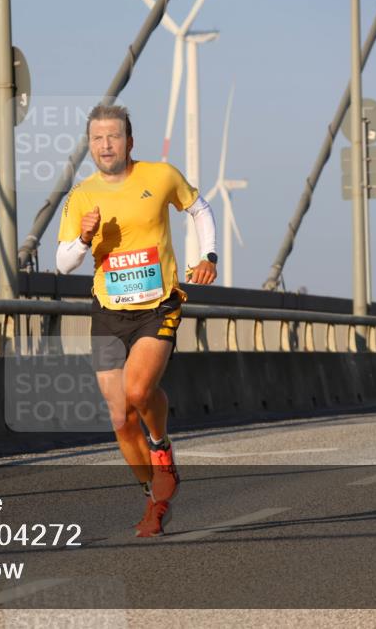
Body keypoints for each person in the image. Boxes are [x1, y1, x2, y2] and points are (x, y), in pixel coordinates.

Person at [56, 104, 217, 537]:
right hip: (109, 311)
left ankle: (161, 448)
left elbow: (199, 209)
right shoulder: (82, 195)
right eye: (97, 138)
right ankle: (154, 500)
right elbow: (63, 262)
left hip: (157, 304)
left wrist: (208, 256)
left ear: (130, 141)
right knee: (120, 417)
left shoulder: (160, 175)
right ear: (89, 146)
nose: (105, 145)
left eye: (113, 136)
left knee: (139, 389)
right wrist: (85, 238)